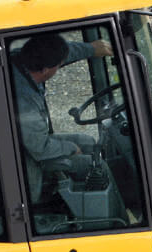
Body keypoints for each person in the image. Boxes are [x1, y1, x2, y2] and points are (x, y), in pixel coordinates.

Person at [9, 32, 113, 179]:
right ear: (45, 70)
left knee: (88, 142)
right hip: (22, 159)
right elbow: (39, 149)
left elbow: (59, 53)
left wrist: (91, 48)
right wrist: (70, 148)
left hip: (29, 140)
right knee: (98, 166)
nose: (59, 66)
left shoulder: (22, 59)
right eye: (58, 65)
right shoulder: (23, 100)